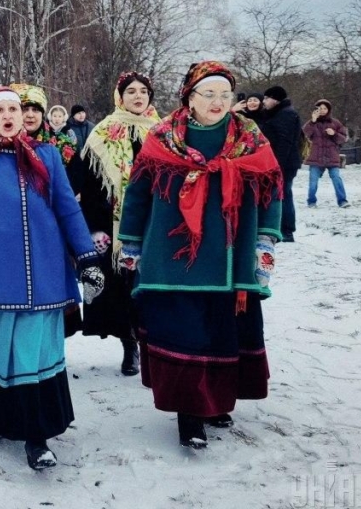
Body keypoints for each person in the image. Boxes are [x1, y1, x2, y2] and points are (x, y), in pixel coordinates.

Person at [118, 61, 282, 449]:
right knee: (183, 331)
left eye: (225, 95)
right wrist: (131, 245)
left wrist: (266, 241)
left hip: (231, 252)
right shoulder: (162, 138)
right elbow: (138, 193)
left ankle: (216, 402)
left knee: (221, 330)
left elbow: (271, 187)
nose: (218, 102)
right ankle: (188, 414)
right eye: (209, 94)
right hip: (174, 255)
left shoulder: (250, 137)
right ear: (189, 98)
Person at [0, 86, 101, 470]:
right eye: (1, 110)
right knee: (0, 352)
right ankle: (1, 420)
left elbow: (67, 209)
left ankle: (37, 437)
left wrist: (87, 259)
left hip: (43, 274)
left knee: (34, 353)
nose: (11, 115)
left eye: (16, 109)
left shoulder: (46, 156)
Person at [79, 72, 161, 375]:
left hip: (154, 221)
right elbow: (88, 183)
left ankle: (154, 345)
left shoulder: (164, 132)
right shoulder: (103, 132)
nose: (138, 97)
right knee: (122, 288)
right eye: (131, 92)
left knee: (150, 287)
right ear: (120, 97)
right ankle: (130, 347)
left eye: (143, 91)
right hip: (113, 222)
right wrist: (96, 222)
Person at [259, 86, 303, 242]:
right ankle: (282, 229)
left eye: (266, 98)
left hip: (285, 164)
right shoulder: (277, 113)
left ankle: (287, 231)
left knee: (284, 194)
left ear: (275, 99)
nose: (264, 101)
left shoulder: (286, 115)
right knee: (282, 194)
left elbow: (285, 142)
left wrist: (278, 165)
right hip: (280, 162)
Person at [304, 99, 349, 208]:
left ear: (328, 110)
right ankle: (311, 202)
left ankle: (342, 201)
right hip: (316, 157)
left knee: (336, 178)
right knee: (313, 181)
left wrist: (334, 134)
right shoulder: (311, 123)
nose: (323, 110)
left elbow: (344, 138)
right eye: (320, 108)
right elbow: (305, 134)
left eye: (325, 108)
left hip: (332, 156)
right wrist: (312, 122)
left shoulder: (335, 122)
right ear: (316, 110)